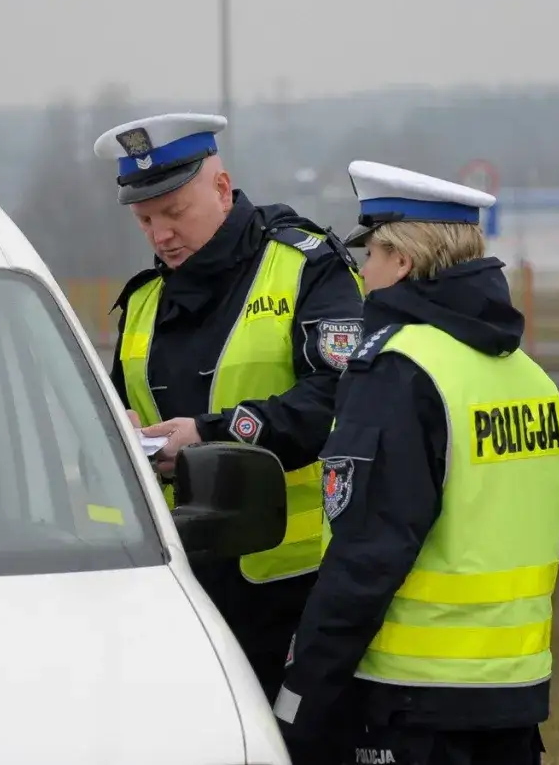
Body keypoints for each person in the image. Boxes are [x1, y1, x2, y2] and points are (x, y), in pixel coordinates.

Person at [274, 160, 559, 765]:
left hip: (413, 701)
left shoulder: (397, 370)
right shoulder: (527, 375)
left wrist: (300, 694)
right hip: (515, 688)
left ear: (403, 262)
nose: (361, 271)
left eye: (371, 255)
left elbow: (365, 555)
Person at [93, 112, 365, 701]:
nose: (160, 235)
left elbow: (339, 396)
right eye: (145, 220)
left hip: (291, 583)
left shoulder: (307, 267)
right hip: (178, 580)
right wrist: (122, 430)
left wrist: (212, 435)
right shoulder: (144, 300)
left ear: (221, 189)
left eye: (173, 213)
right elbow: (115, 407)